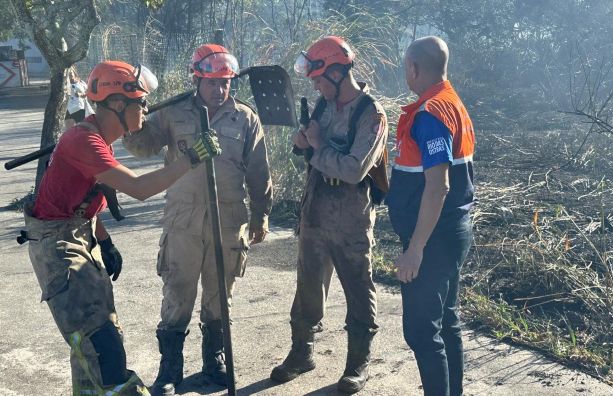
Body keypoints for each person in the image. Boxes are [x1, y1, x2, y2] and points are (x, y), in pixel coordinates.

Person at [21, 60, 221, 396]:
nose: (146, 108)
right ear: (117, 104)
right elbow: (140, 188)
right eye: (141, 102)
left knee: (94, 346)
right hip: (58, 249)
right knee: (103, 349)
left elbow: (80, 200)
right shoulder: (84, 141)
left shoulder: (94, 136)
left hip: (74, 238)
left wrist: (105, 241)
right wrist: (192, 158)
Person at [122, 44, 272, 395]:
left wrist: (261, 215)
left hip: (229, 220)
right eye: (212, 83)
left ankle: (213, 362)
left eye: (225, 83)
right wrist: (133, 117)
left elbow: (259, 171)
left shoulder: (245, 118)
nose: (220, 91)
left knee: (220, 296)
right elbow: (142, 146)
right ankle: (170, 370)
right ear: (197, 79)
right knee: (177, 293)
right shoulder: (173, 113)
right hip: (184, 221)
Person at [270, 36, 388, 394]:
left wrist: (318, 146)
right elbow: (303, 148)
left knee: (358, 287)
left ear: (338, 73)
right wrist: (303, 141)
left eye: (320, 79)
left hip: (351, 219)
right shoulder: (323, 105)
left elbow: (354, 169)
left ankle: (357, 365)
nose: (317, 87)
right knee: (307, 287)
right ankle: (301, 353)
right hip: (316, 213)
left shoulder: (372, 114)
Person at [385, 36, 475, 396]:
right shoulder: (452, 103)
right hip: (452, 231)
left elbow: (438, 187)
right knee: (446, 322)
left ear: (414, 68)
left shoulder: (429, 115)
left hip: (434, 237)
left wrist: (416, 248)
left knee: (422, 330)